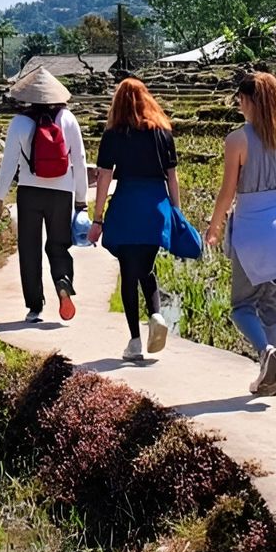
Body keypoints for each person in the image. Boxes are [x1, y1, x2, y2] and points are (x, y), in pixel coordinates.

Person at [206, 70, 276, 396]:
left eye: (241, 99)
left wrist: (214, 226)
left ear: (250, 101)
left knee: (242, 307)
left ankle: (266, 353)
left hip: (252, 231)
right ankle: (270, 379)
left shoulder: (237, 140)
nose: (239, 105)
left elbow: (227, 193)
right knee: (272, 310)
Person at [88, 77, 182, 362]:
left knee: (128, 272)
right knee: (146, 266)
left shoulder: (114, 134)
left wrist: (98, 217)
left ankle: (134, 342)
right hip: (156, 206)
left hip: (128, 203)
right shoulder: (162, 133)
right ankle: (155, 315)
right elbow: (172, 177)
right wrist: (175, 212)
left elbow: (104, 176)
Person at [0, 68, 89, 323]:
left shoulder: (19, 122)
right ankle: (63, 281)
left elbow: (9, 163)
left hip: (29, 192)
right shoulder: (67, 119)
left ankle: (34, 308)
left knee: (29, 248)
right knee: (58, 245)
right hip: (61, 193)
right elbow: (80, 159)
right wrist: (81, 200)